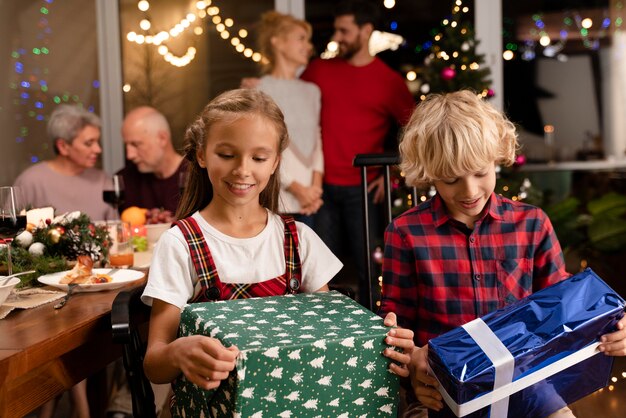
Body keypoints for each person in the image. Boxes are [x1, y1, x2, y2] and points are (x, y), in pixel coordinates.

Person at [140, 89, 415, 413]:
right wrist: (177, 353)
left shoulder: (300, 240)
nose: (243, 169)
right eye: (227, 154)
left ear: (275, 162)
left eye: (258, 158)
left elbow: (326, 341)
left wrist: (373, 340)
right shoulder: (180, 245)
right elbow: (153, 363)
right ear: (202, 154)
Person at [378, 90, 626, 418]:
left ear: (496, 158)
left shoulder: (532, 224)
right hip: (443, 389)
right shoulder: (406, 233)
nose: (469, 191)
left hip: (526, 383)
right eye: (451, 179)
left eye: (480, 172)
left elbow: (566, 306)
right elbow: (395, 326)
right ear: (429, 172)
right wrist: (410, 361)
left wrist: (614, 327)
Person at [299, 0, 415, 302]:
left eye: (344, 30)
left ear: (365, 31)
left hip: (363, 190)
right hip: (319, 189)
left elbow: (417, 132)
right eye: (336, 29)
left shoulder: (388, 81)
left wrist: (390, 173)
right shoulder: (318, 71)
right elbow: (289, 107)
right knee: (319, 274)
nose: (337, 36)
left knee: (369, 270)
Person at [255, 11, 324, 228]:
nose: (309, 46)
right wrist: (296, 188)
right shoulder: (260, 90)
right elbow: (261, 148)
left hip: (312, 202)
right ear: (278, 43)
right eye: (301, 38)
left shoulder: (312, 91)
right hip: (279, 199)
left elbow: (316, 140)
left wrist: (315, 187)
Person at [14, 104, 117, 222]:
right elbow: (9, 232)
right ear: (63, 146)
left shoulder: (102, 180)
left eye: (97, 142)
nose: (98, 149)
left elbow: (115, 231)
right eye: (89, 143)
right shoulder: (31, 180)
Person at [118, 106, 187, 213]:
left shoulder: (195, 177)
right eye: (126, 145)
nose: (129, 155)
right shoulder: (125, 180)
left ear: (162, 139)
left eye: (136, 144)